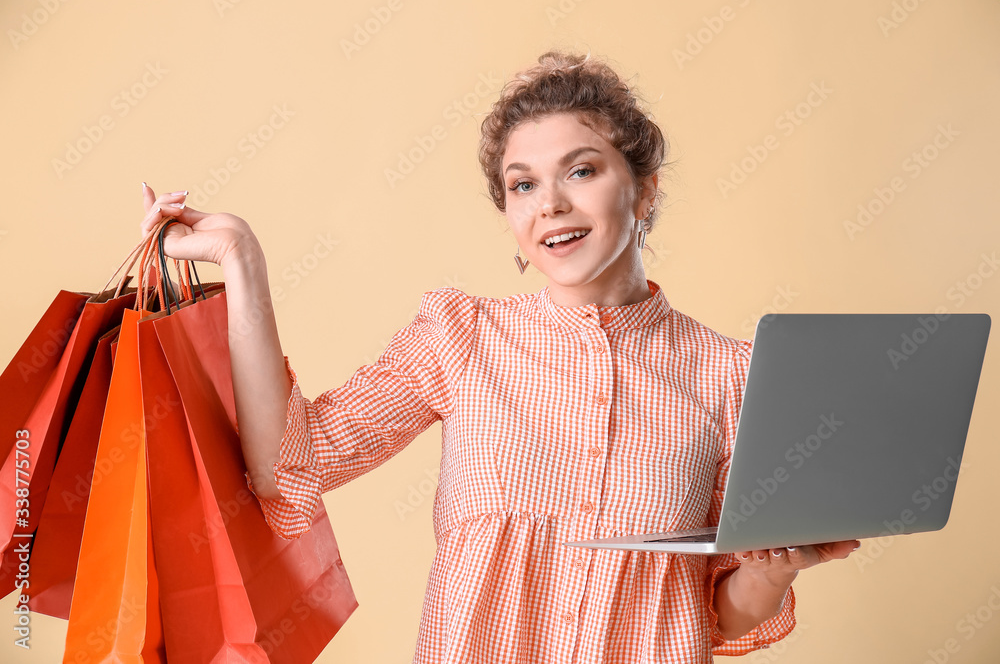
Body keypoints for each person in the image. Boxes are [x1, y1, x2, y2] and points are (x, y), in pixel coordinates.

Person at [140, 49, 859, 663]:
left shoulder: (731, 375)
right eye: (523, 184)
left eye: (580, 171)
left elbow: (713, 612)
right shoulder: (460, 336)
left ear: (644, 191)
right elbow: (293, 463)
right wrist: (242, 260)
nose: (548, 203)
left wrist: (774, 569)